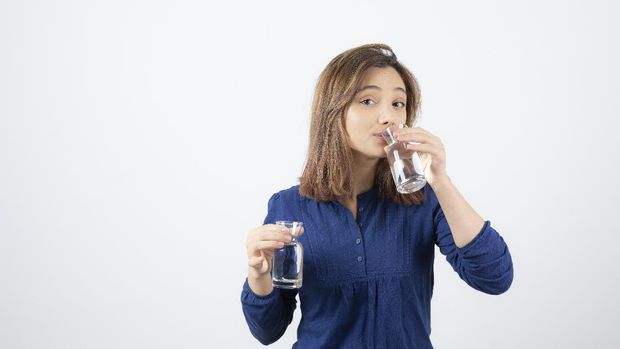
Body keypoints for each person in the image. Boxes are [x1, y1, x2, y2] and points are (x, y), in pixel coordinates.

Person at [240, 43, 514, 348]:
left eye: (398, 103)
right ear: (333, 113)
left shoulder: (423, 200)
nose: (388, 117)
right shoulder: (289, 205)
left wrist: (442, 182)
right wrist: (258, 274)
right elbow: (267, 331)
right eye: (368, 100)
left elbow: (495, 278)